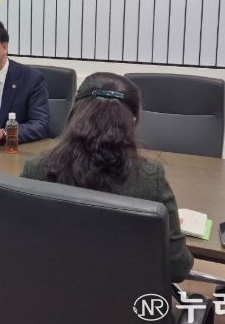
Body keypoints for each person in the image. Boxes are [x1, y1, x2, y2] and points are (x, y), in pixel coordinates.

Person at [20, 72, 194, 282]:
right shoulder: (150, 179)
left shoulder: (36, 170)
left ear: (74, 114)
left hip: (48, 293)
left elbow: (20, 246)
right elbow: (178, 267)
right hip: (123, 300)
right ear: (132, 121)